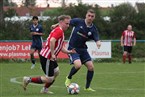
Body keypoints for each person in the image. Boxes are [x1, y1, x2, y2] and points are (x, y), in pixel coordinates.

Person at [22, 15, 75, 94]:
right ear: (60, 22)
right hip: (47, 57)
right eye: (66, 23)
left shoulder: (59, 30)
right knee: (49, 78)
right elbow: (52, 41)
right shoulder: (59, 31)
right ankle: (28, 79)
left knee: (56, 72)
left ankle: (45, 89)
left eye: (68, 24)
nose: (68, 25)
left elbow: (60, 47)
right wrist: (53, 54)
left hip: (50, 57)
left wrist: (69, 52)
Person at [52, 9, 101, 92]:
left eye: (92, 16)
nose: (90, 17)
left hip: (83, 49)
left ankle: (87, 87)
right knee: (78, 65)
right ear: (86, 15)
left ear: (94, 18)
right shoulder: (78, 21)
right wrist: (56, 25)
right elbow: (65, 22)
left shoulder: (93, 29)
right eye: (89, 15)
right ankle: (69, 77)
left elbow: (97, 38)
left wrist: (98, 43)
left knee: (91, 67)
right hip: (72, 48)